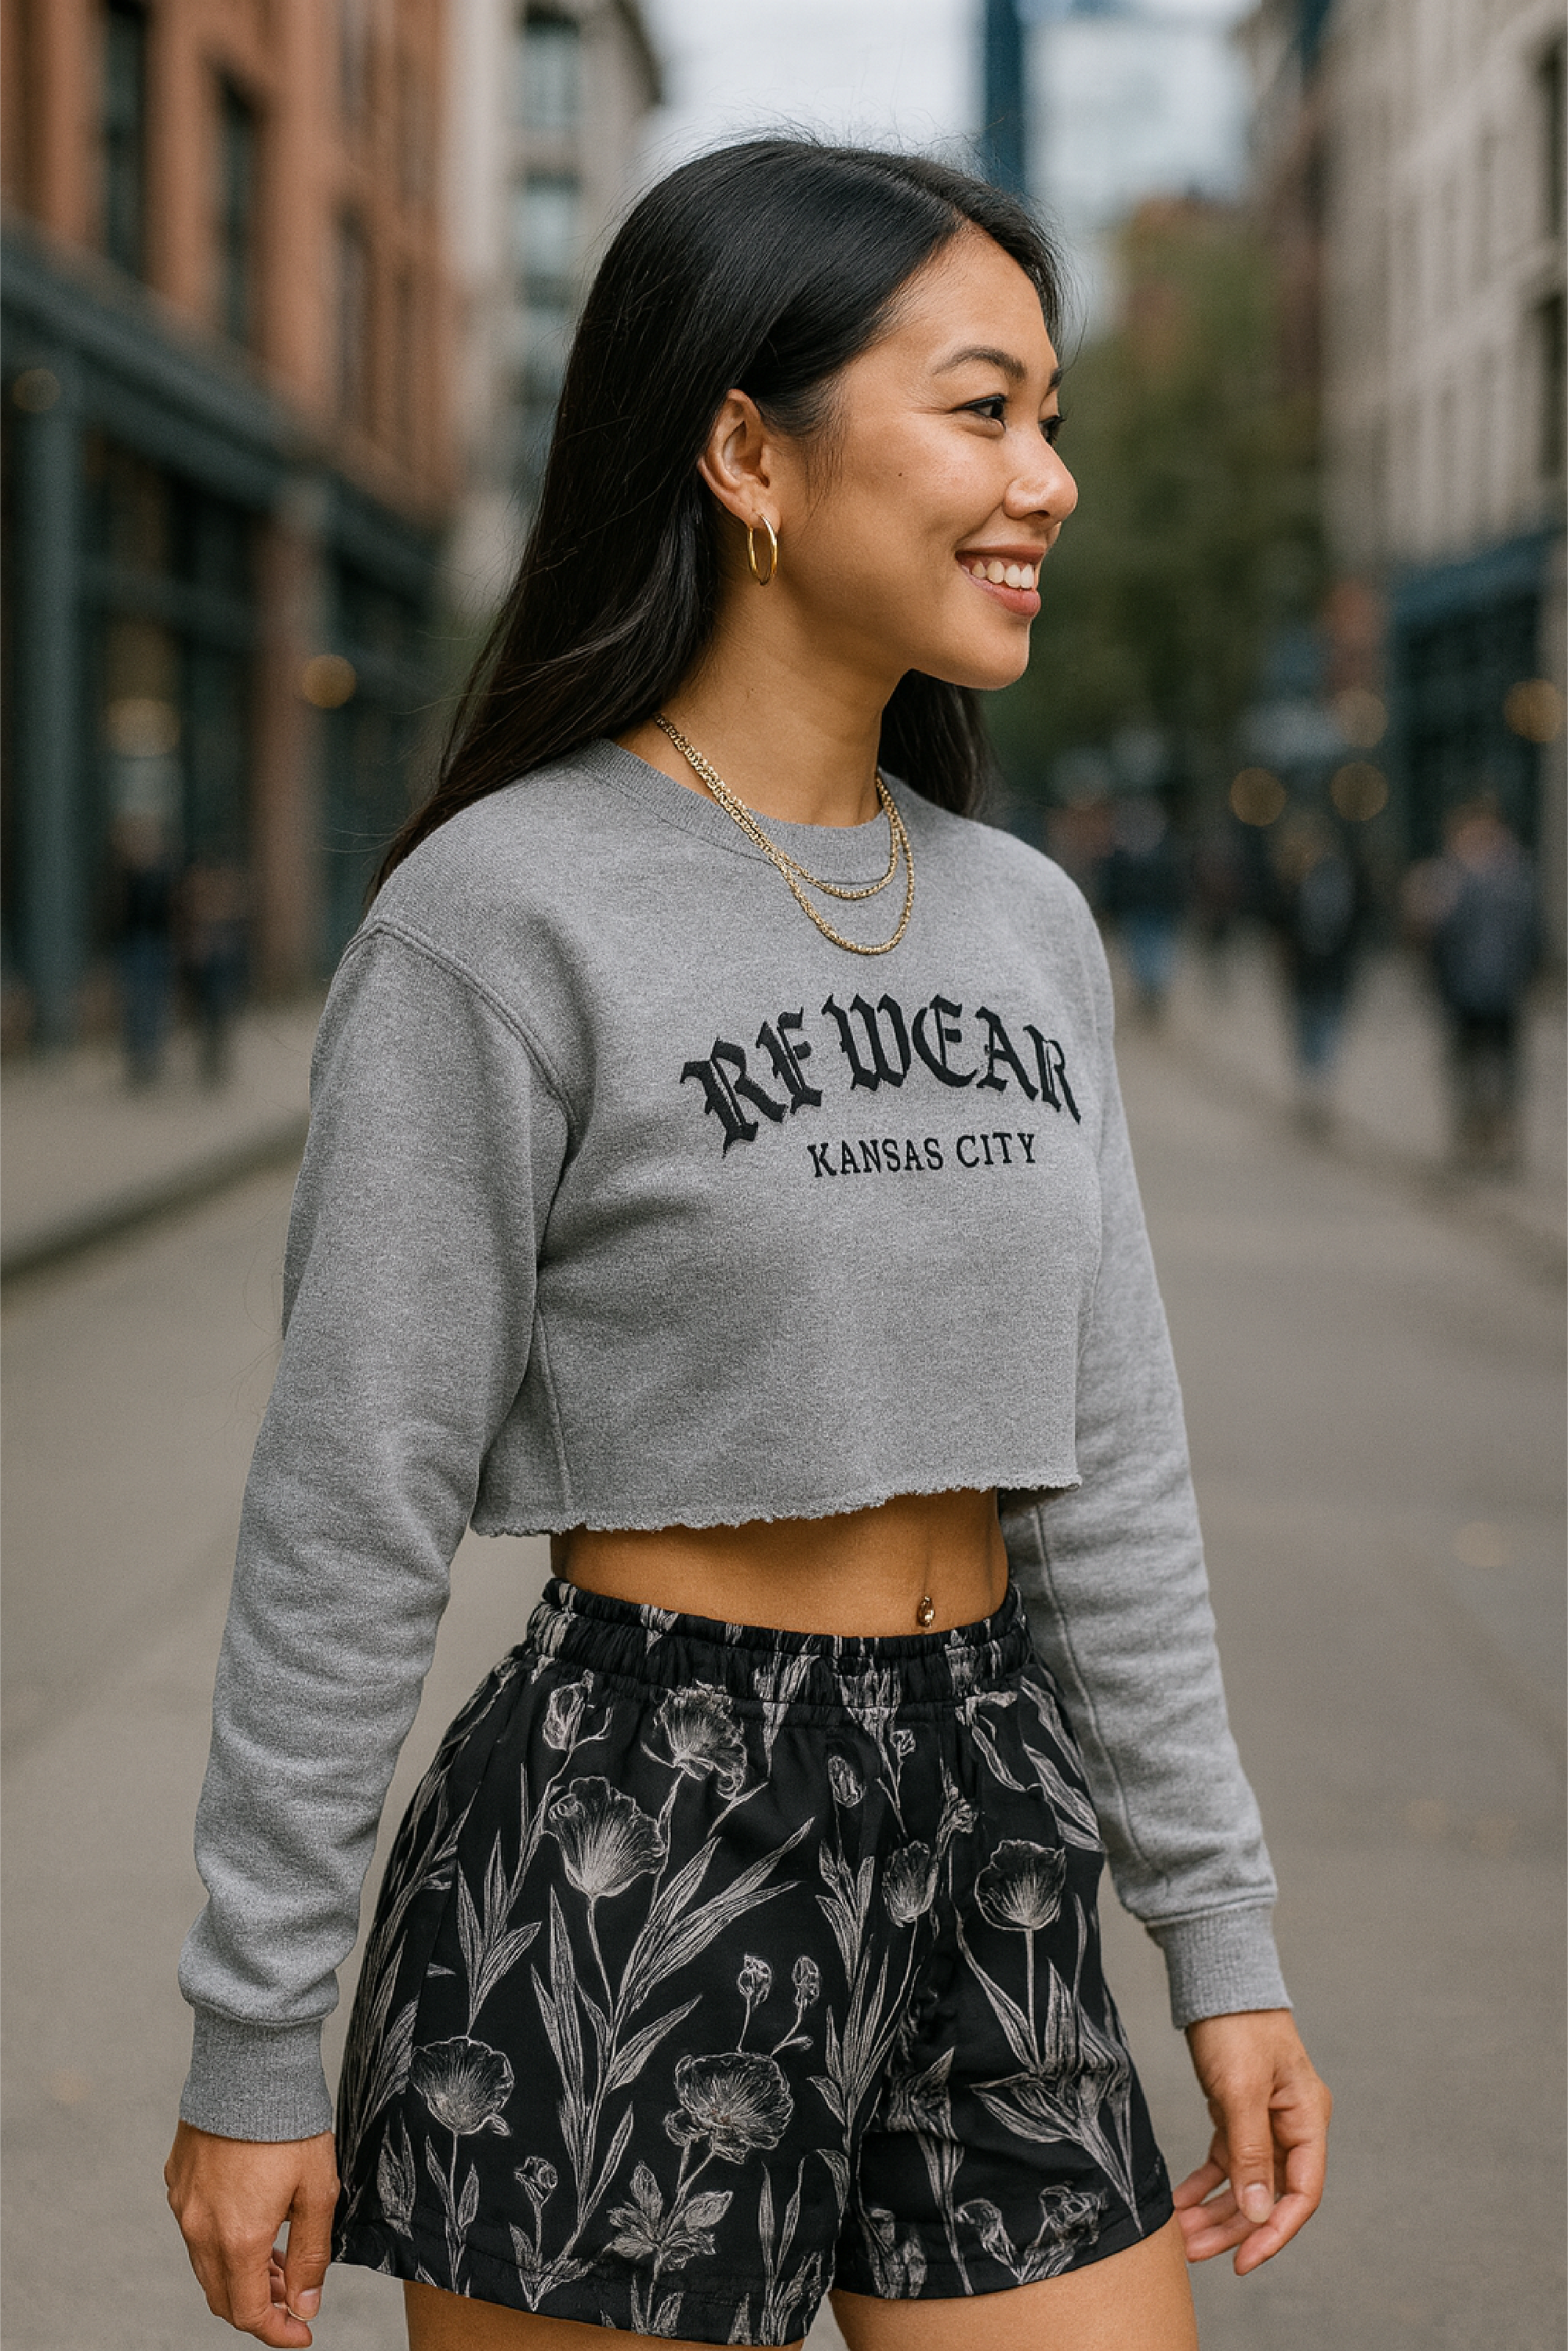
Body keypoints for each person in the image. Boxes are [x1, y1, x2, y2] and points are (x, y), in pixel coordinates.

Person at [165, 142, 1329, 2351]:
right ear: (743, 451)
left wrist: (1223, 1928)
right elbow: (352, 1505)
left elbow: (1114, 1472)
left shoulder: (1023, 919)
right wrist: (251, 2038)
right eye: (984, 408)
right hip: (634, 1836)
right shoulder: (505, 916)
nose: (1050, 476)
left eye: (1053, 413)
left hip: (993, 1813)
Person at [1407, 802, 1540, 1174]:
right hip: (1462, 988)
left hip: (1500, 989)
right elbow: (1430, 935)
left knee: (1500, 1066)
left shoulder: (1512, 876)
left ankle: (1500, 1136)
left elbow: (1531, 931)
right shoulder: (1449, 877)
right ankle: (1473, 1134)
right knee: (1468, 1065)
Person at [1269, 813, 1367, 1137]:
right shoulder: (1293, 881)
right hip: (1309, 970)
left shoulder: (1337, 880)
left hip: (1327, 969)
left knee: (1322, 1024)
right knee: (1309, 1025)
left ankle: (1319, 1086)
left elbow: (1357, 923)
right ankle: (1314, 1085)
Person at [1098, 796, 1187, 1023]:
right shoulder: (1131, 853)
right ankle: (1148, 992)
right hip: (1139, 912)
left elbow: (1175, 883)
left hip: (1154, 912)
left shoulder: (1159, 851)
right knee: (1143, 953)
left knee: (1152, 953)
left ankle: (1152, 992)